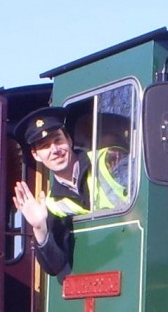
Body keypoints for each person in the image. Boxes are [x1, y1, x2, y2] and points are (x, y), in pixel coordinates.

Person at [11, 107, 128, 276]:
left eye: (58, 141)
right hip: (104, 271)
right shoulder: (52, 205)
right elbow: (55, 265)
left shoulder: (109, 160)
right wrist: (38, 227)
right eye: (45, 146)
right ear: (36, 155)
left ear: (69, 140)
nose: (55, 150)